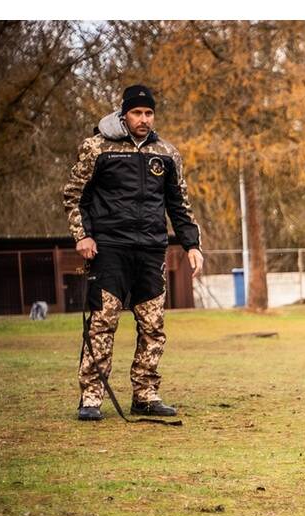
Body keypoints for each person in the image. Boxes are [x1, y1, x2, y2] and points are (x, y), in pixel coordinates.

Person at [62, 84, 203, 421]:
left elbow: (179, 203)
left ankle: (145, 395)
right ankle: (91, 398)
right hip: (109, 249)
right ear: (124, 114)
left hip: (151, 250)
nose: (144, 119)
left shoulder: (166, 153)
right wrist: (83, 236)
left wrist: (192, 244)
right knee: (102, 324)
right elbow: (75, 195)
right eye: (137, 112)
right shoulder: (97, 147)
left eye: (149, 113)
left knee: (153, 326)